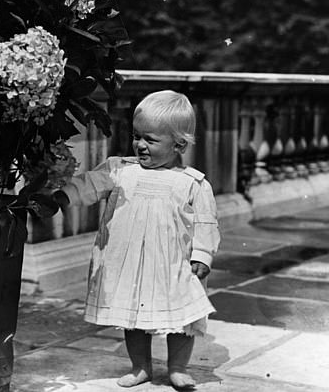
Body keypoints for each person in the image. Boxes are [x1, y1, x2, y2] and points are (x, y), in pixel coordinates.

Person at [53, 90, 220, 389]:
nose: (140, 145)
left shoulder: (192, 183)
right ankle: (140, 366)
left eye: (151, 140)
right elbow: (88, 185)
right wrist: (61, 194)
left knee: (182, 316)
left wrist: (203, 255)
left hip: (173, 265)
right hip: (130, 263)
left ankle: (178, 368)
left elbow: (206, 223)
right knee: (133, 316)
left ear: (179, 143)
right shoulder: (120, 171)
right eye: (137, 136)